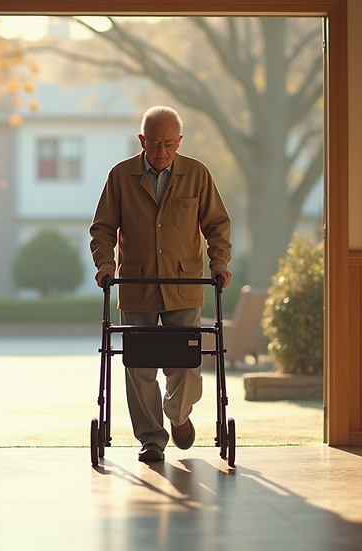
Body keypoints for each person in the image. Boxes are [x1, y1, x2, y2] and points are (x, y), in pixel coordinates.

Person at [89, 106, 233, 463]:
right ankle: (152, 438)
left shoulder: (197, 174)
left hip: (183, 284)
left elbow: (217, 224)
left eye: (169, 144)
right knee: (138, 367)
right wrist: (105, 264)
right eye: (154, 144)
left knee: (185, 362)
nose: (161, 152)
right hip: (137, 285)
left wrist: (219, 263)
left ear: (179, 142)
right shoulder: (121, 176)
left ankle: (179, 415)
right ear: (142, 141)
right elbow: (103, 228)